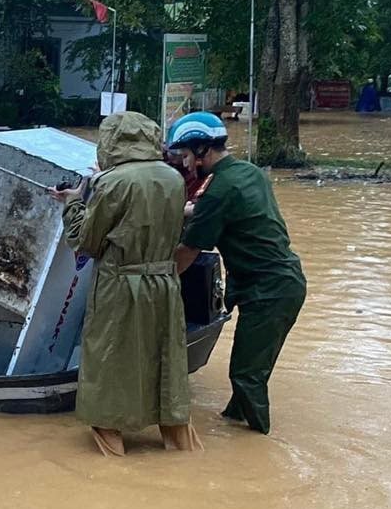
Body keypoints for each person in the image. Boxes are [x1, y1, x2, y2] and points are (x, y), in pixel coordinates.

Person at [50, 111, 201, 456]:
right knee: (164, 360)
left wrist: (73, 203)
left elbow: (88, 242)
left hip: (120, 284)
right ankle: (182, 450)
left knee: (109, 364)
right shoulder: (174, 179)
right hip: (164, 284)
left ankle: (113, 459)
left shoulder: (111, 183)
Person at [169, 111, 307, 435]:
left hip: (267, 291)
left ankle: (259, 449)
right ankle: (234, 422)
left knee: (246, 375)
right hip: (283, 282)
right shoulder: (249, 172)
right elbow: (208, 209)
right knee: (251, 368)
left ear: (203, 150)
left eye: (188, 155)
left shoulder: (220, 190)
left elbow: (188, 253)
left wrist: (155, 280)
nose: (186, 164)